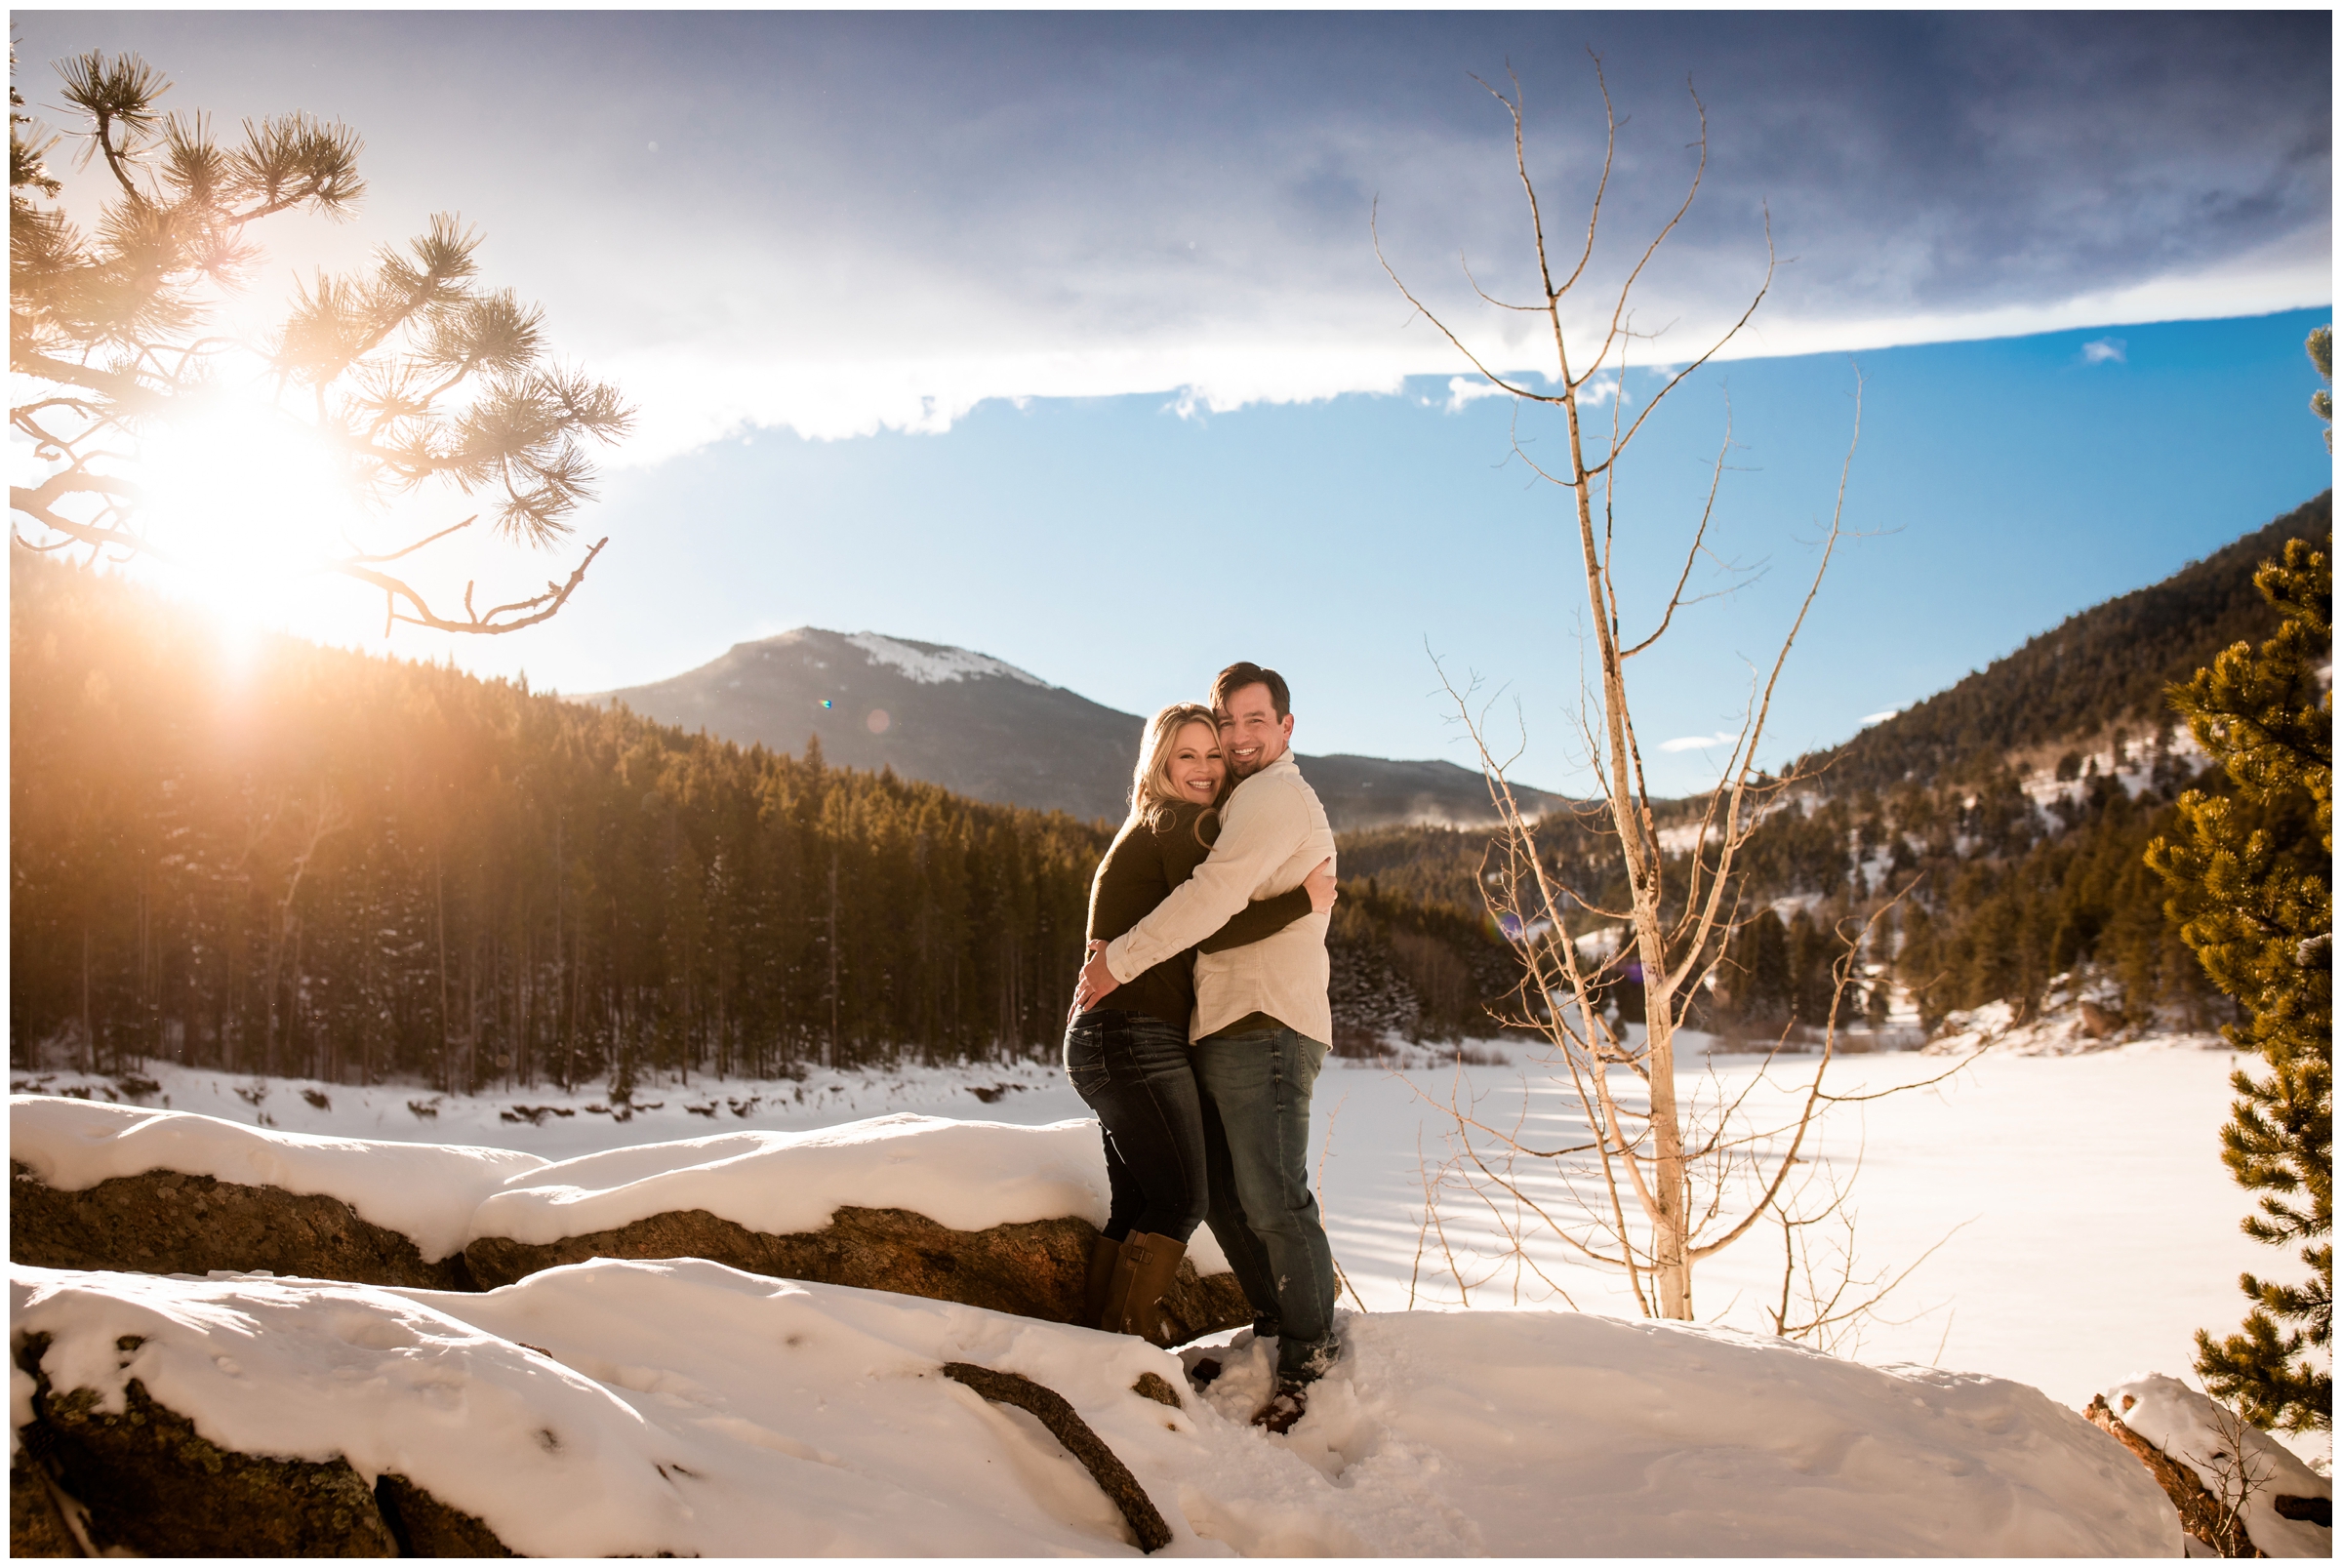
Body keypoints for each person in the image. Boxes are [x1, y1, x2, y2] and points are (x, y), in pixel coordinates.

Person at [1072, 662, 1340, 1434]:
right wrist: (1298, 899)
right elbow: (1207, 912)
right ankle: (1125, 1352)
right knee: (1211, 1195)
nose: (1225, 748)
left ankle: (1307, 1354)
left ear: (1286, 728)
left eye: (1248, 726)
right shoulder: (1184, 820)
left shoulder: (1268, 798)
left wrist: (1120, 956)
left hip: (1258, 1021)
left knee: (1257, 1197)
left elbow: (1211, 907)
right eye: (1218, 733)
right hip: (1166, 1028)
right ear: (1160, 763)